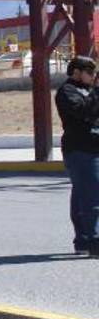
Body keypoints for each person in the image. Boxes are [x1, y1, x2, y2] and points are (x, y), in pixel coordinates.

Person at [54, 55, 99, 257]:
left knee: (82, 195)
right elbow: (81, 112)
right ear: (77, 72)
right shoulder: (67, 91)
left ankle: (82, 240)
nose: (93, 76)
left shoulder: (89, 91)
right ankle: (94, 241)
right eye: (90, 73)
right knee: (92, 196)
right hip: (80, 149)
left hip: (93, 147)